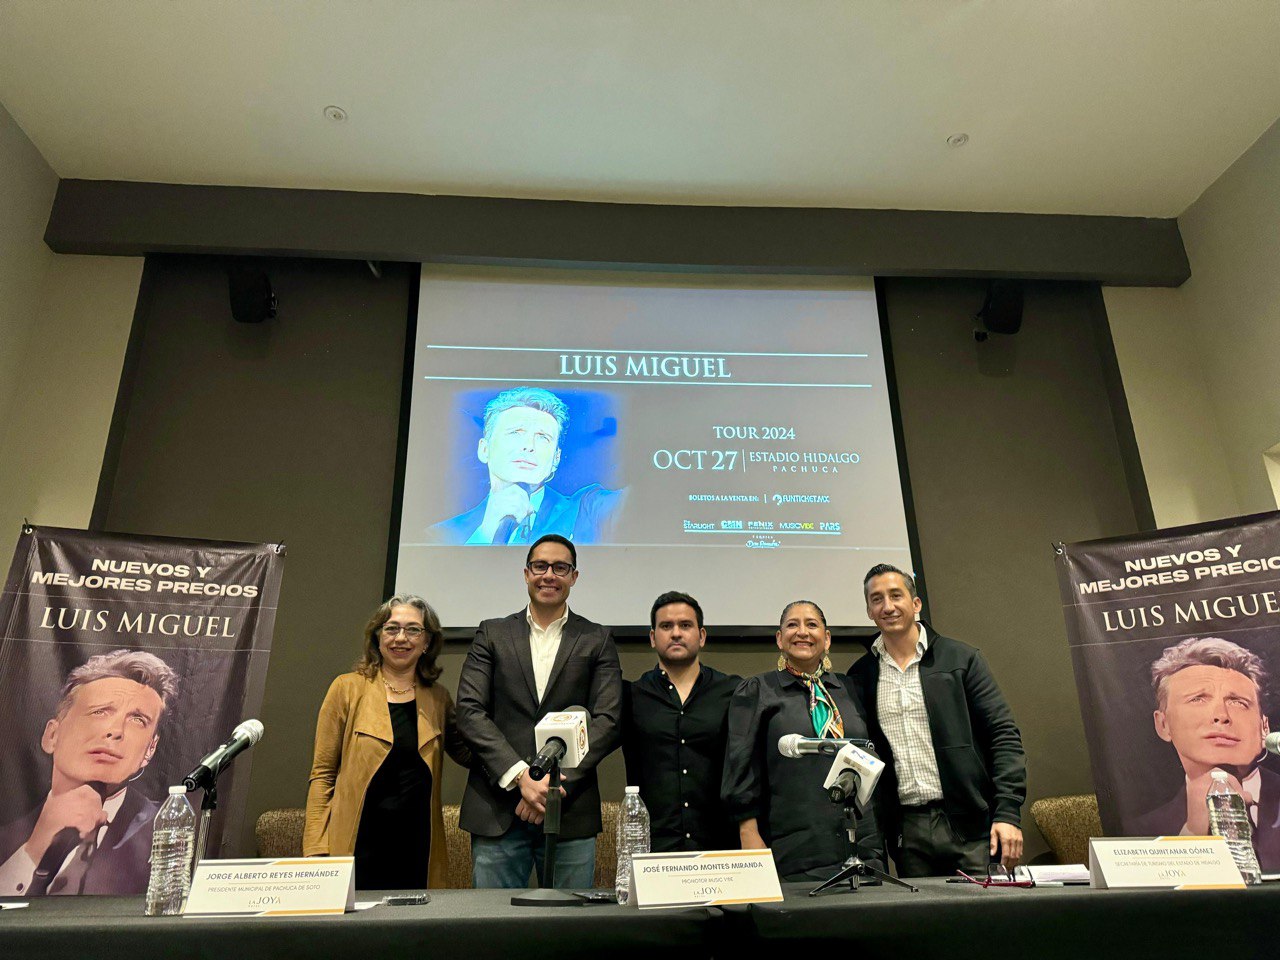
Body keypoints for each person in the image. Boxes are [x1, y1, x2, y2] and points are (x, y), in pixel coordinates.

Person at [456, 534, 622, 888]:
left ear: (574, 576)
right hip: (498, 809)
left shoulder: (597, 638)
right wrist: (521, 777)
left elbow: (608, 720)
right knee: (493, 920)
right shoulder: (492, 633)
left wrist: (549, 786)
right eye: (540, 566)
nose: (549, 575)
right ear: (526, 573)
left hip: (569, 811)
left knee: (570, 921)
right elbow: (470, 711)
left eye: (560, 568)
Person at [848, 563, 1026, 877]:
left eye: (896, 595)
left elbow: (1003, 735)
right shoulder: (861, 675)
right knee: (923, 912)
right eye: (877, 599)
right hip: (908, 833)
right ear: (869, 611)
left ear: (915, 603)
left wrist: (1008, 813)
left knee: (990, 909)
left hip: (973, 829)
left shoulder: (961, 659)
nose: (887, 606)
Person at [304, 594, 470, 890]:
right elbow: (323, 774)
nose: (401, 638)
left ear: (427, 642)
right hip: (358, 846)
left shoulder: (439, 699)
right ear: (377, 636)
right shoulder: (346, 689)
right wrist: (316, 848)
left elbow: (470, 753)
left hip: (417, 850)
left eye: (413, 630)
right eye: (392, 628)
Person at [722, 600, 886, 881]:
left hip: (863, 841)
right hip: (797, 847)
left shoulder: (852, 688)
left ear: (827, 638)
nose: (802, 632)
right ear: (779, 638)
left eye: (812, 624)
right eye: (792, 625)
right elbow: (741, 766)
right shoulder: (758, 691)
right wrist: (748, 832)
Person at [0, 649, 179, 896]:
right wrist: (36, 847)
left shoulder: (169, 835)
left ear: (149, 750)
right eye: (100, 711)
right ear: (52, 735)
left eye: (137, 720)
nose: (116, 731)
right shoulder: (6, 837)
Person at [1128, 636, 1280, 867]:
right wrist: (1192, 833)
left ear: (1264, 727)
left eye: (1238, 702)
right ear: (1163, 725)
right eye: (1198, 699)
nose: (1221, 715)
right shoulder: (1142, 832)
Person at [432, 386, 625, 545]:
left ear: (556, 459)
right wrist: (485, 534)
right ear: (484, 449)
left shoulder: (587, 510)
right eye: (515, 432)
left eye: (542, 437)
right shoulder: (442, 535)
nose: (528, 446)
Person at [622, 591, 740, 851]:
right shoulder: (631, 697)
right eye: (666, 626)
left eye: (685, 625)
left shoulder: (733, 692)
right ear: (653, 638)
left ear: (702, 636)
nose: (676, 633)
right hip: (654, 848)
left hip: (720, 847)